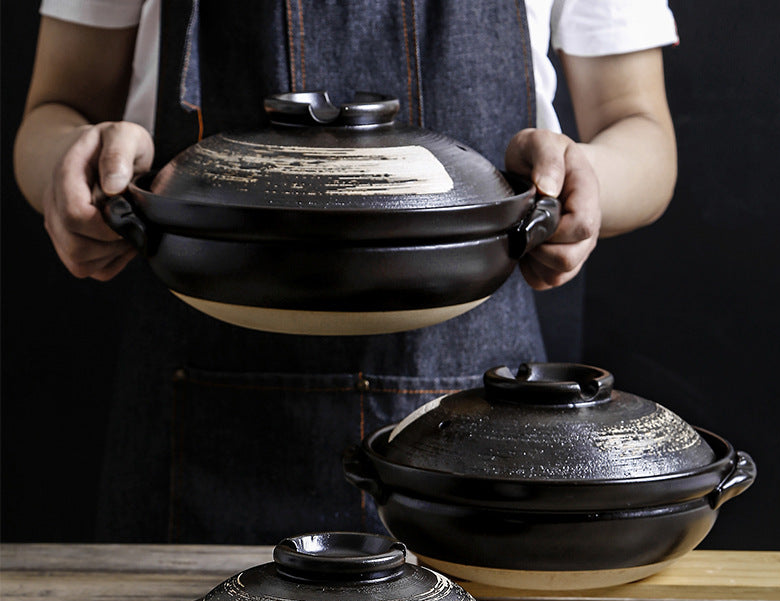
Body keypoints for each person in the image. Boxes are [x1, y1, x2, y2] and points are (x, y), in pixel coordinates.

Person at [14, 1, 678, 544]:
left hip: (476, 432)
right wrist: (74, 168)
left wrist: (580, 184)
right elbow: (58, 105)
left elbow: (636, 125)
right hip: (196, 422)